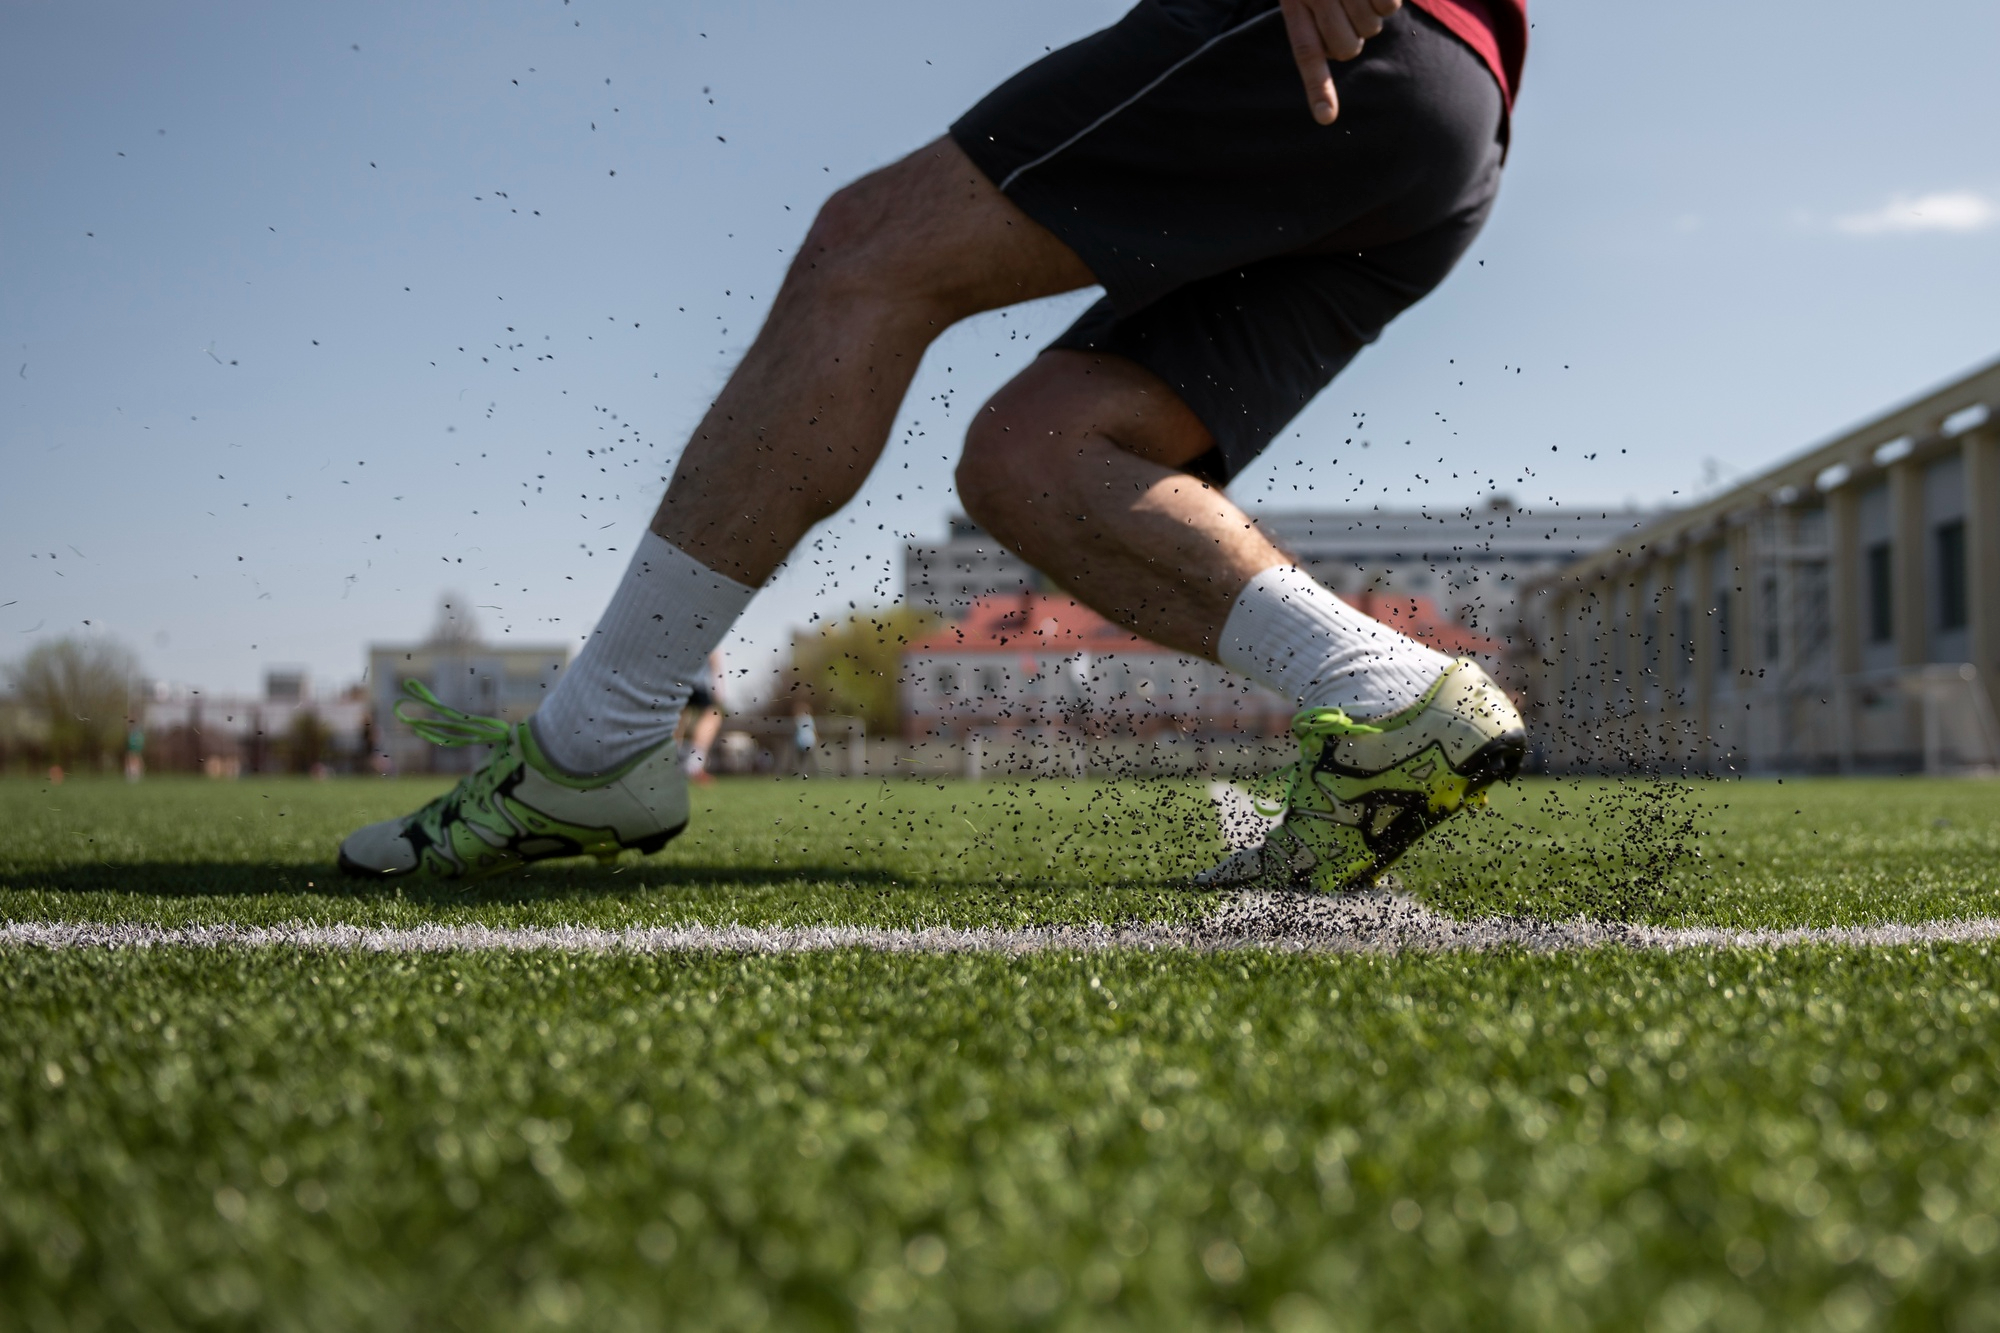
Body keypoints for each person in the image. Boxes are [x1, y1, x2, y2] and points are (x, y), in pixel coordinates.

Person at [339, 0, 1529, 887]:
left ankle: (594, 743)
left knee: (864, 256)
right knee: (1038, 453)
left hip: (1344, 39)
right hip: (1445, 124)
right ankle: (1387, 695)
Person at [679, 651, 726, 783]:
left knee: (677, 714)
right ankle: (693, 766)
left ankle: (670, 763)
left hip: (673, 675)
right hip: (695, 678)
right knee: (712, 715)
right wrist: (719, 684)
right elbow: (713, 651)